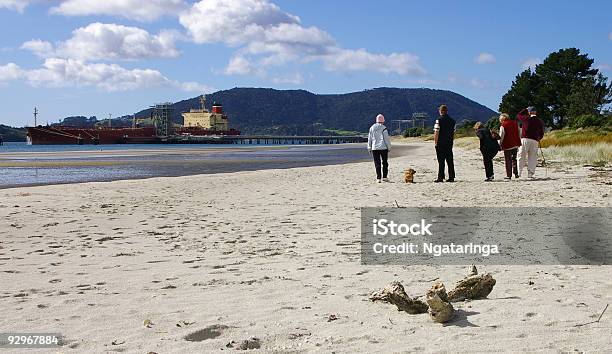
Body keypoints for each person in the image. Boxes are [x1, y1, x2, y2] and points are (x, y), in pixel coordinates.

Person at [516, 106, 545, 178]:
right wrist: (539, 138)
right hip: (535, 141)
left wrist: (525, 109)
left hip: (525, 139)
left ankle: (519, 172)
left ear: (529, 112)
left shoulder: (526, 118)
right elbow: (541, 132)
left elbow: (518, 115)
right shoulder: (539, 121)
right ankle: (530, 173)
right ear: (536, 112)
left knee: (521, 156)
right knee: (532, 157)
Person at [433, 105, 456, 182]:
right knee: (450, 160)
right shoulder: (452, 121)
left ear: (441, 111)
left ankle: (440, 177)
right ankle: (451, 177)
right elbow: (453, 132)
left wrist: (435, 142)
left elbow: (437, 132)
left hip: (440, 143)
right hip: (449, 142)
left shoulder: (438, 120)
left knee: (441, 161)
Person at [367, 114, 391, 183]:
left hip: (375, 148)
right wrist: (389, 147)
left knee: (377, 163)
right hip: (383, 148)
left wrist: (369, 147)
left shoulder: (372, 128)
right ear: (383, 120)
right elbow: (386, 139)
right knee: (385, 163)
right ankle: (385, 177)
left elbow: (370, 138)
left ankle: (378, 178)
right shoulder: (384, 128)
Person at [498, 113, 521, 180]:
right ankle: (516, 173)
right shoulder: (515, 123)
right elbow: (519, 132)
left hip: (507, 144)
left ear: (502, 119)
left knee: (508, 160)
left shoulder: (503, 125)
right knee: (514, 158)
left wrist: (499, 144)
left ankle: (509, 175)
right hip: (515, 143)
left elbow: (501, 136)